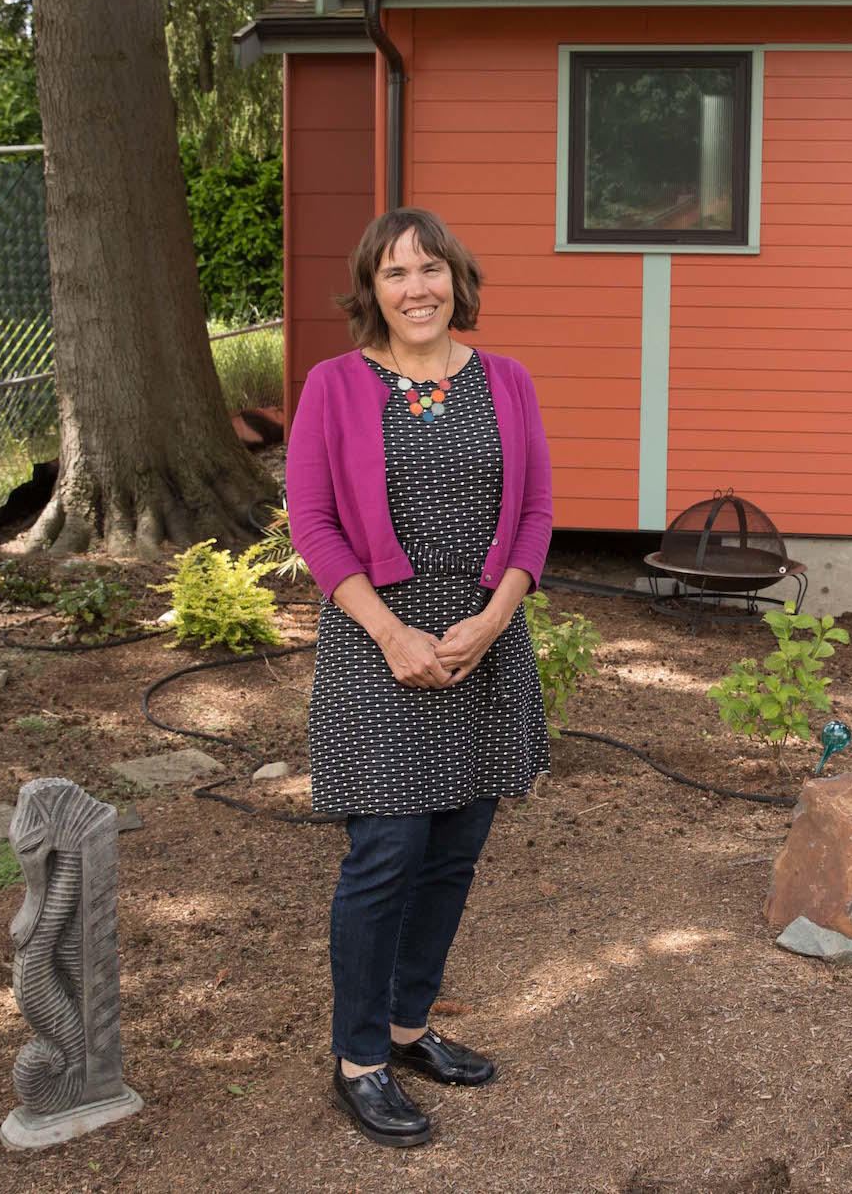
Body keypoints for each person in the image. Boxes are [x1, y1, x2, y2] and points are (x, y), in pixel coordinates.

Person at [286, 206, 552, 1148]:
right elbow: (313, 523)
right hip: (376, 642)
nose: (416, 287)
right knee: (386, 855)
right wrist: (394, 630)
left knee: (454, 852)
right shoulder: (333, 385)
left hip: (483, 642)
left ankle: (407, 1027)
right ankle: (357, 1060)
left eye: (431, 269)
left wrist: (491, 618)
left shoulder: (508, 382)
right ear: (372, 291)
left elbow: (536, 517)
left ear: (457, 280)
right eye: (396, 273)